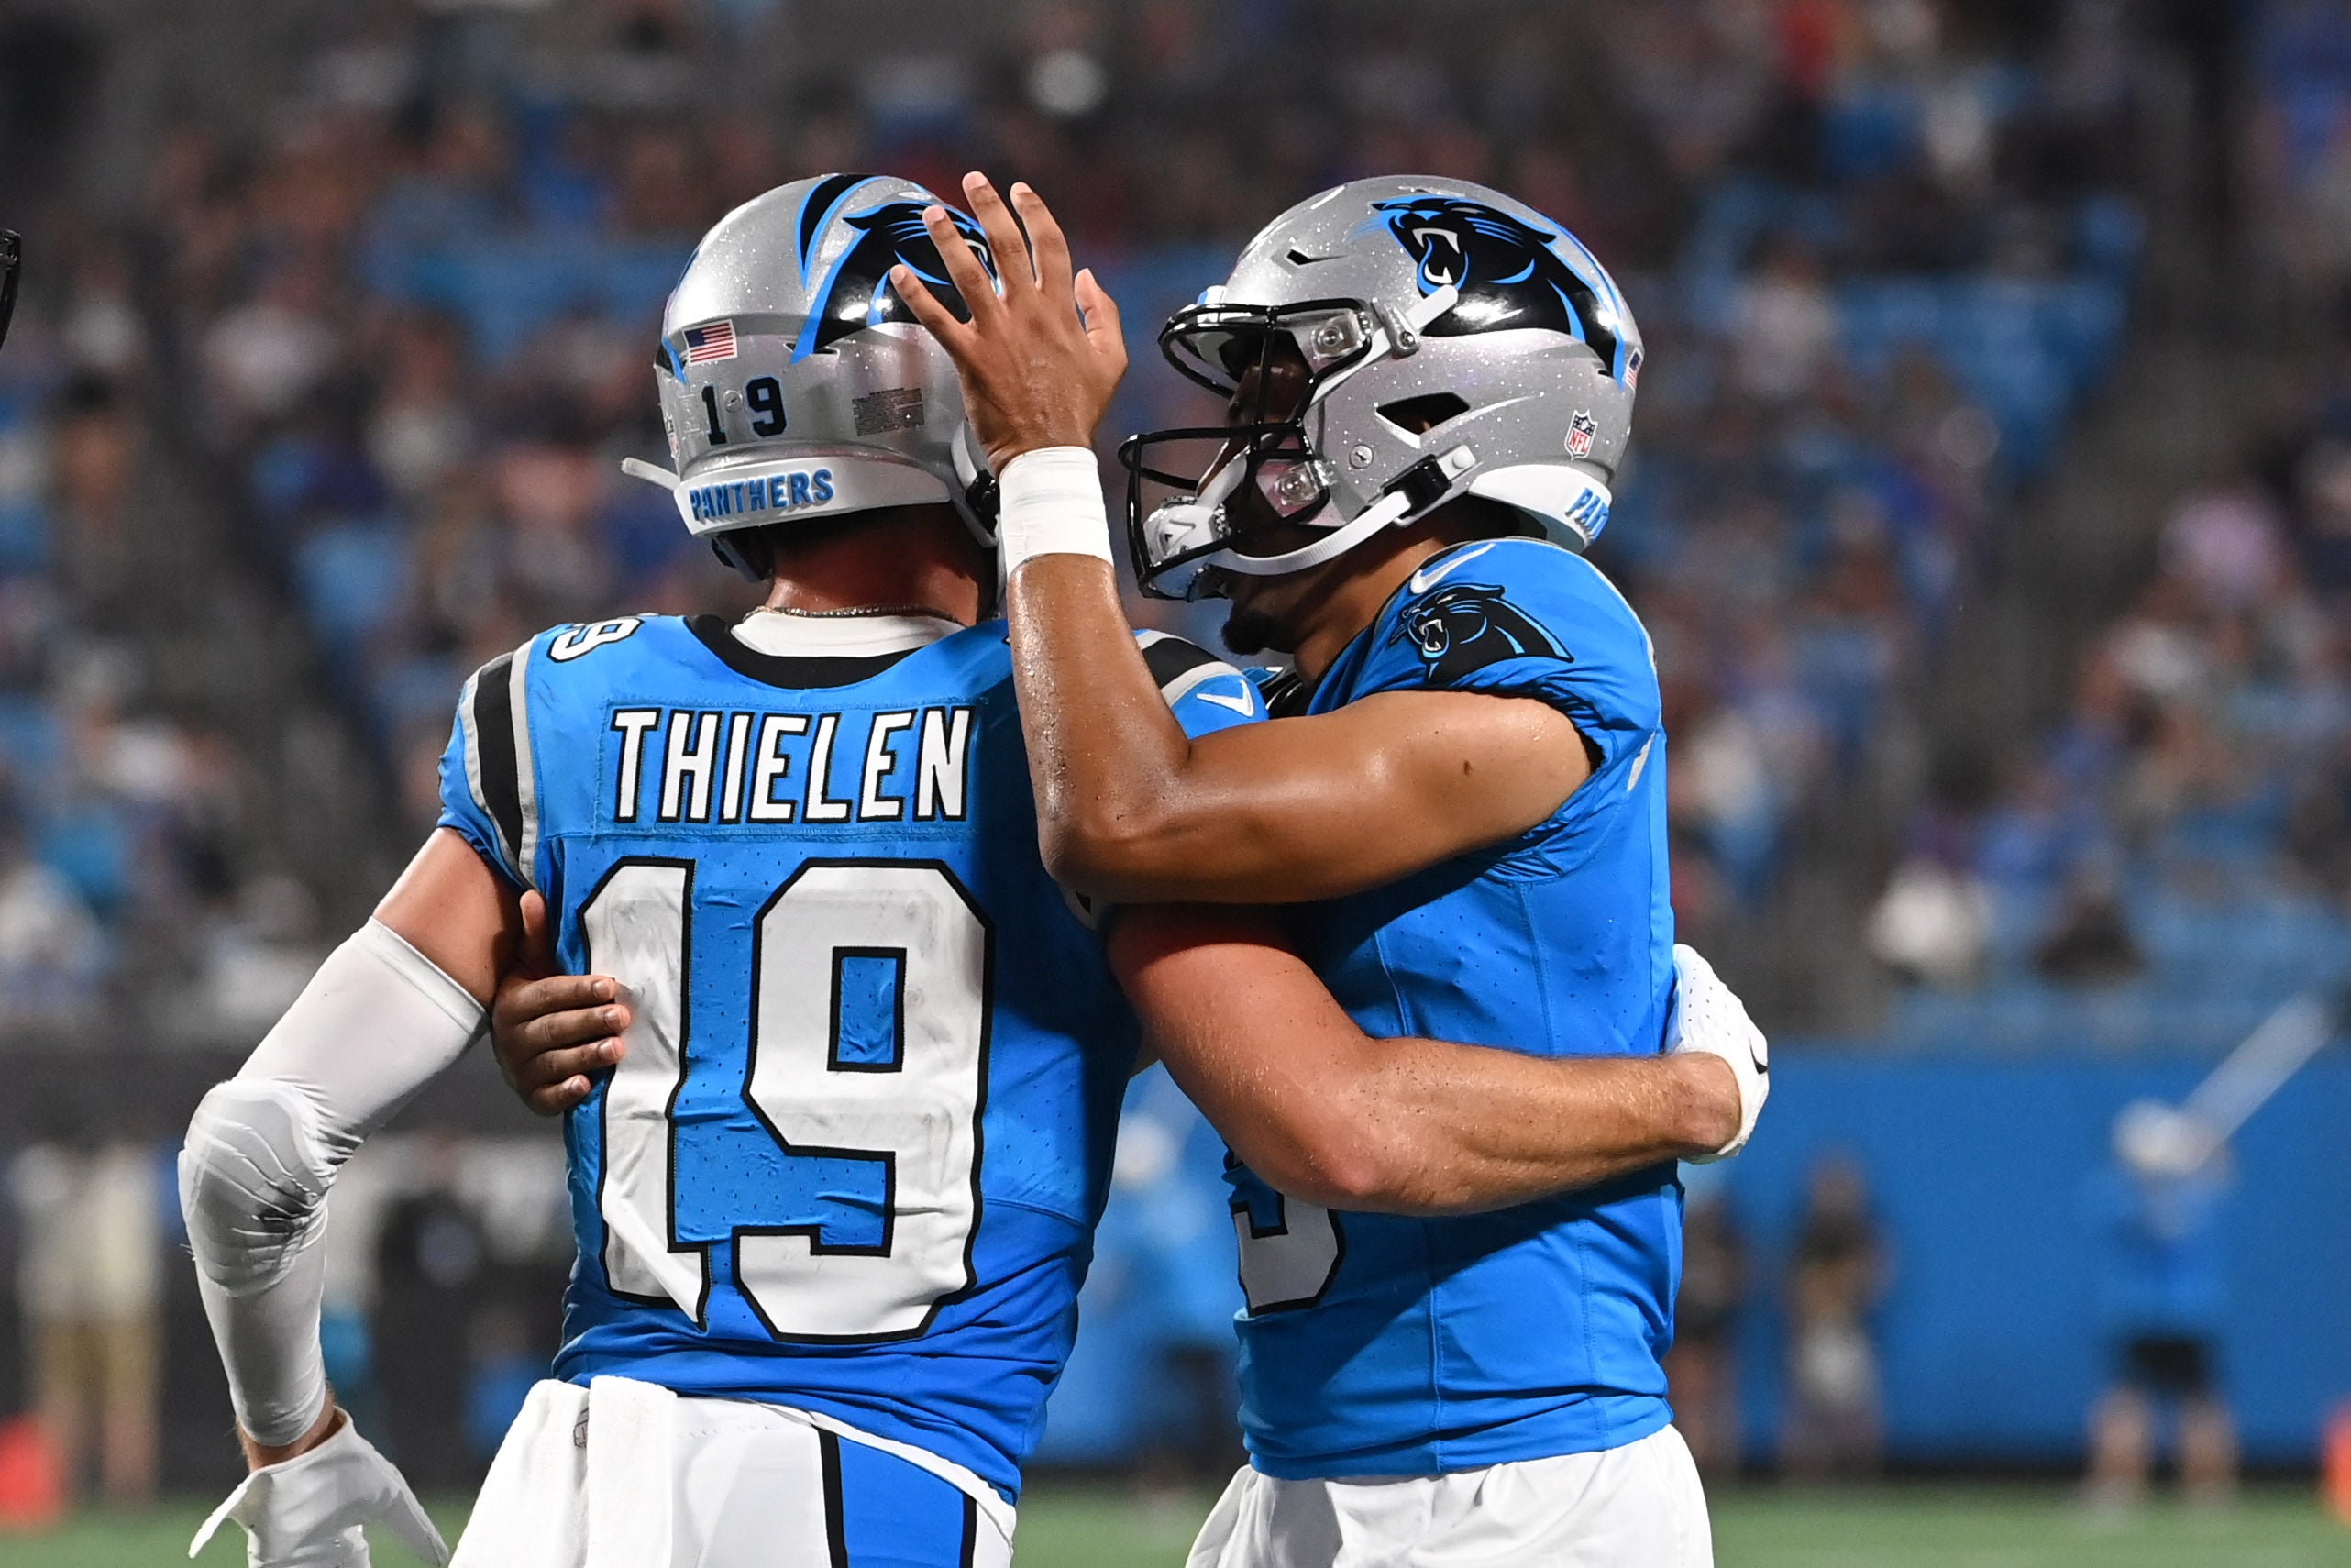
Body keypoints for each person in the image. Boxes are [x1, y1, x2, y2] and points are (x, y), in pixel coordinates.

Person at [177, 173, 1769, 1568]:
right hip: (923, 1486)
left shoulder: (560, 708)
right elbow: (1155, 887)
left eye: (1285, 387)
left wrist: (628, 1028)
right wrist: (1684, 1093)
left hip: (576, 1466)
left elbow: (253, 1142)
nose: (1238, 429)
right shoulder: (1136, 720)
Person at [885, 171, 1753, 1566]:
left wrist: (1047, 461)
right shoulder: (1305, 697)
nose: (1243, 433)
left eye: (1282, 385)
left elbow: (1126, 817)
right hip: (1311, 1460)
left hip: (1508, 1480)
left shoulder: (1522, 608)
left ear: (1430, 407)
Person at [2083, 1099, 2237, 1506]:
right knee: (2140, 1404)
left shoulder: (2145, 1188)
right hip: (2163, 1312)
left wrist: (2191, 1149)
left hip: (2165, 1312)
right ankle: (2131, 1487)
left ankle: (2202, 1489)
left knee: (2187, 1404)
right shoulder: (2135, 1192)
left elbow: (2220, 1168)